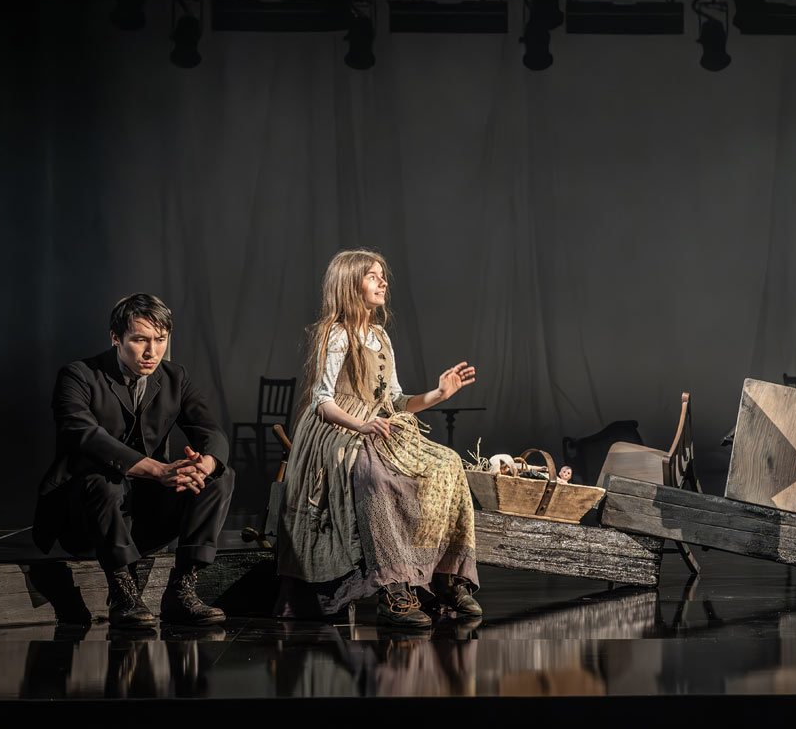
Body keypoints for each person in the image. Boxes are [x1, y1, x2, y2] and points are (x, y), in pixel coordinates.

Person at [274, 249, 481, 628]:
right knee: (375, 472)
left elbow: (396, 399)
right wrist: (361, 425)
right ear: (350, 284)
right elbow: (322, 402)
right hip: (336, 429)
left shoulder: (380, 335)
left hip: (378, 424)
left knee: (447, 463)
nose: (383, 282)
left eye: (382, 275)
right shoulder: (336, 333)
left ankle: (443, 576)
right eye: (372, 276)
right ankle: (393, 587)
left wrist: (438, 395)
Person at [32, 293, 234, 628]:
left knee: (220, 476)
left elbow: (210, 430)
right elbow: (84, 435)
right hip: (85, 519)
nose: (152, 351)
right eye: (140, 339)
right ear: (115, 338)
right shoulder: (79, 375)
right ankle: (122, 591)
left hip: (143, 518)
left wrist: (205, 464)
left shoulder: (175, 377)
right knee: (104, 480)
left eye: (160, 340)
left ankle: (183, 588)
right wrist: (159, 470)